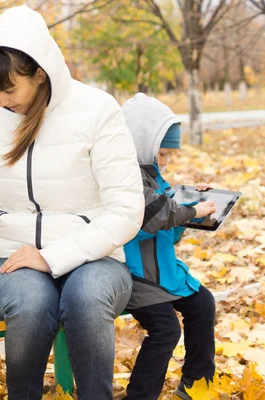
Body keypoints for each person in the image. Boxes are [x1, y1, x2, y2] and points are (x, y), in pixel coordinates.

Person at [0, 6, 144, 400]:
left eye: (9, 89)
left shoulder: (96, 109)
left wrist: (52, 257)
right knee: (32, 302)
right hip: (13, 256)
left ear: (41, 73)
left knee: (85, 296)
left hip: (95, 256)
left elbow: (126, 209)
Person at [121, 93, 217, 400]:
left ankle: (195, 382)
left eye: (169, 156)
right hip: (135, 276)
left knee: (203, 304)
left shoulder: (152, 176)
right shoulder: (125, 177)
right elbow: (153, 215)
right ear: (141, 142)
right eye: (161, 154)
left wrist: (192, 202)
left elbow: (167, 224)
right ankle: (140, 396)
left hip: (162, 273)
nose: (165, 162)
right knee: (166, 330)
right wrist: (190, 210)